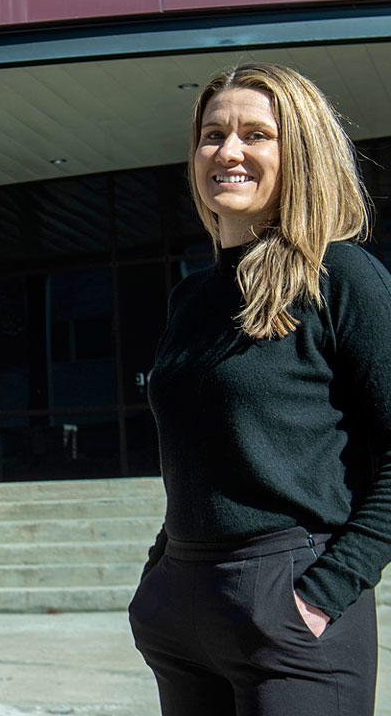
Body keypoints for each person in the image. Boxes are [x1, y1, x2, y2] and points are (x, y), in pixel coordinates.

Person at [128, 61, 391, 715]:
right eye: (212, 135)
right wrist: (159, 574)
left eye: (256, 135)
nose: (228, 152)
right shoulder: (191, 297)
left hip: (291, 602)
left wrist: (324, 592)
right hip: (182, 608)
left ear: (299, 151)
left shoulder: (341, 276)